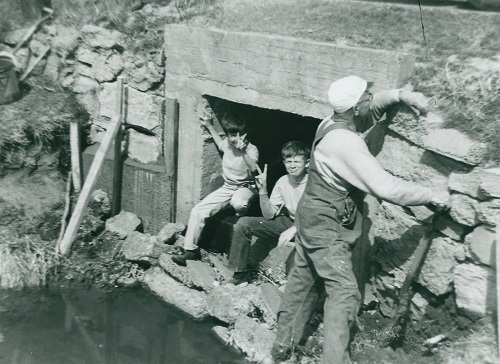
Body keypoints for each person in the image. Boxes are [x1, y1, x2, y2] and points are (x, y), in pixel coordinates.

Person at [270, 76, 450, 364]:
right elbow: (386, 187)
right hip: (325, 222)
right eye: (368, 95)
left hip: (310, 214)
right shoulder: (345, 142)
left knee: (302, 281)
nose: (371, 97)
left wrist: (399, 95)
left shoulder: (331, 122)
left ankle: (281, 348)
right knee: (344, 293)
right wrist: (430, 194)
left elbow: (371, 111)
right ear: (355, 107)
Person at [172, 112, 259, 266]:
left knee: (238, 202)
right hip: (228, 187)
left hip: (247, 188)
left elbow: (253, 170)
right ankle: (191, 251)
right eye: (232, 135)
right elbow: (220, 143)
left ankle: (246, 211)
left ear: (245, 135)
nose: (235, 139)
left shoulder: (252, 149)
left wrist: (243, 151)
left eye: (239, 135)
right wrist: (208, 125)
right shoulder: (227, 144)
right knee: (197, 211)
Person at [227, 141, 311, 286]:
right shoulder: (283, 181)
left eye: (297, 161)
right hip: (290, 221)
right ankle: (240, 274)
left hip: (310, 226)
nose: (292, 165)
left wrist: (296, 228)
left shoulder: (314, 183)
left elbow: (317, 216)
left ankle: (292, 287)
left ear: (307, 163)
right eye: (288, 161)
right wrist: (262, 190)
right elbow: (269, 215)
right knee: (244, 223)